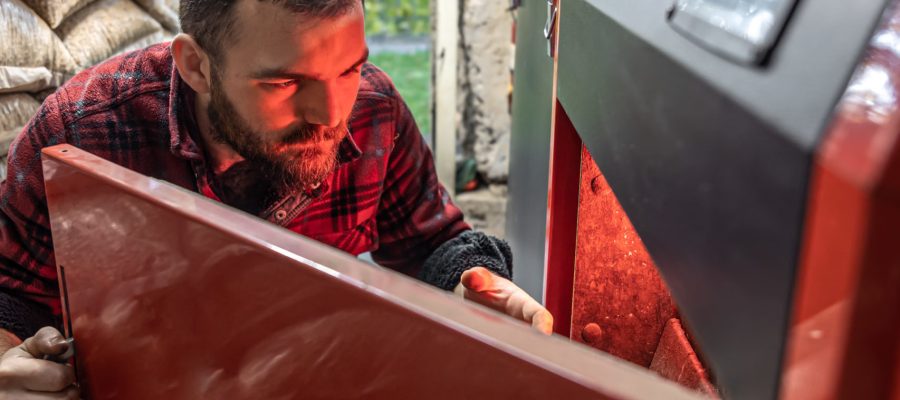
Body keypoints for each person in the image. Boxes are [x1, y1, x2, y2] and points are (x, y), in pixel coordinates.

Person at [0, 0, 552, 397]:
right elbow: (10, 295)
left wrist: (472, 281)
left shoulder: (375, 110)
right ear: (196, 66)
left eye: (349, 68)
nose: (332, 115)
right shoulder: (79, 133)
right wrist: (9, 368)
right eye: (284, 84)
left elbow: (433, 242)